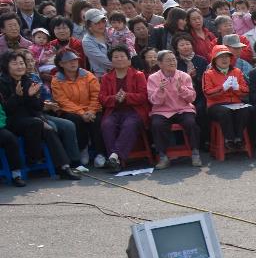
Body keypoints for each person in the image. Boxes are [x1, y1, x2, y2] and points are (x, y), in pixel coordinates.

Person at [0, 51, 79, 180]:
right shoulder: (2, 83)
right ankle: (33, 158)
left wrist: (33, 98)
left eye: (21, 63)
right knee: (38, 123)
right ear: (6, 66)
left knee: (49, 129)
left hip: (31, 117)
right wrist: (18, 96)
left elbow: (36, 107)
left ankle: (64, 167)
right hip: (11, 121)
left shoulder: (28, 80)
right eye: (15, 64)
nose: (20, 66)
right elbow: (6, 110)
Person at [148, 50, 202, 169]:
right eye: (168, 60)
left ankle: (195, 153)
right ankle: (163, 156)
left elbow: (192, 98)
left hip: (183, 108)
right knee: (157, 124)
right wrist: (160, 91)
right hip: (162, 110)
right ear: (160, 63)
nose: (172, 62)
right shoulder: (153, 78)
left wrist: (181, 89)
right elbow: (154, 101)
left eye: (174, 59)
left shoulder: (184, 76)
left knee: (191, 122)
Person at [97, 45, 148, 170]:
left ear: (129, 59)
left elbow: (144, 96)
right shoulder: (105, 78)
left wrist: (127, 96)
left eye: (122, 56)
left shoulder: (138, 75)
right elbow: (102, 98)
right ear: (111, 60)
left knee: (129, 124)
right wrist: (114, 98)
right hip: (114, 110)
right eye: (116, 57)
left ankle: (114, 157)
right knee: (107, 125)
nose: (119, 59)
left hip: (134, 110)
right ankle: (115, 160)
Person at [50, 49, 102, 166]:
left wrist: (91, 110)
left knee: (98, 120)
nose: (73, 63)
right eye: (68, 61)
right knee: (75, 120)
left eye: (74, 60)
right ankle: (82, 148)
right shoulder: (57, 80)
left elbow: (96, 95)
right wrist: (81, 113)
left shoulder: (88, 75)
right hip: (70, 111)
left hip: (90, 109)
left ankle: (100, 153)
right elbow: (62, 101)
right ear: (61, 64)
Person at [202, 45, 252, 151]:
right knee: (225, 112)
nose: (225, 59)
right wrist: (222, 88)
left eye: (227, 56)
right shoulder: (208, 73)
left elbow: (246, 91)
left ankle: (238, 138)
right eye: (221, 57)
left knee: (246, 109)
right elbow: (207, 93)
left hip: (235, 103)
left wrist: (237, 88)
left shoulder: (237, 71)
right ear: (215, 59)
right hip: (216, 105)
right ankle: (229, 139)